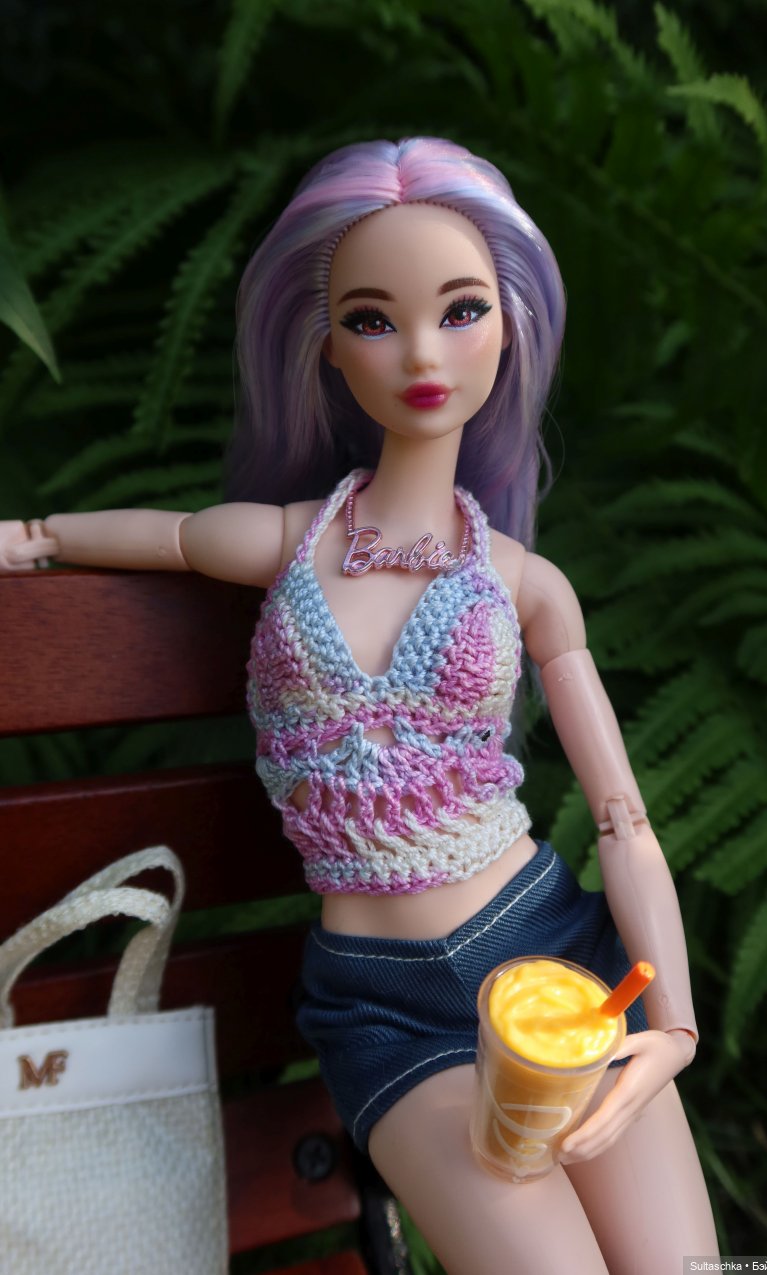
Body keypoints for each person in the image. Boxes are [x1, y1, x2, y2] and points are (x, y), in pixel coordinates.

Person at [2, 137, 719, 1273]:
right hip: (391, 1011)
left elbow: (624, 819)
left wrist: (671, 1023)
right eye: (374, 319)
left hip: (554, 954)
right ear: (328, 346)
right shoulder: (289, 542)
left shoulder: (526, 585)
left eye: (462, 311)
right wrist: (32, 538)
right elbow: (171, 537)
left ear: (511, 327)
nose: (423, 352)